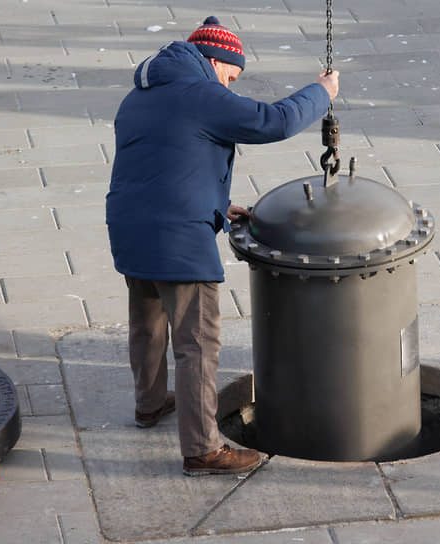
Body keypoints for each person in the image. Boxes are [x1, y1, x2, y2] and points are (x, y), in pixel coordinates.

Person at [105, 16, 339, 476]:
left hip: (130, 226)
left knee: (148, 323)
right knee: (197, 343)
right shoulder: (200, 93)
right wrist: (322, 93)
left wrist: (219, 203)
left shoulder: (140, 96)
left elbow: (165, 160)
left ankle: (149, 405)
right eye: (231, 76)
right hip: (177, 235)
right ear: (215, 61)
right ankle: (203, 450)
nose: (231, 86)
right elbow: (273, 121)